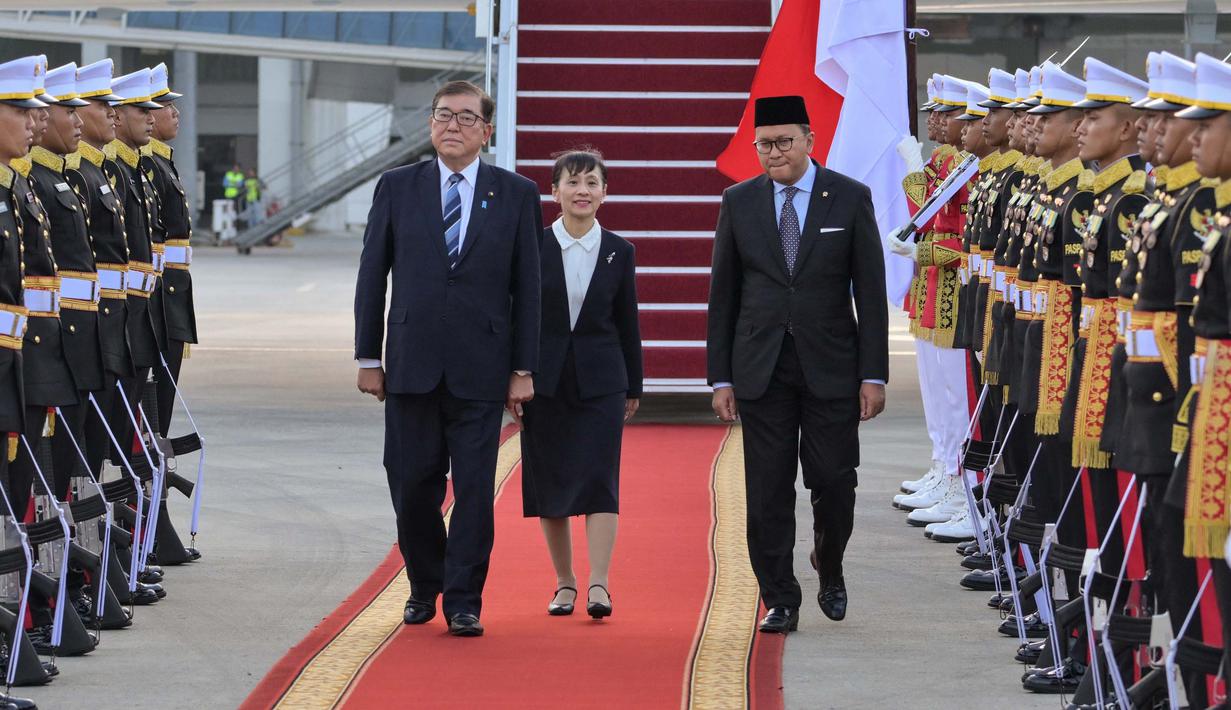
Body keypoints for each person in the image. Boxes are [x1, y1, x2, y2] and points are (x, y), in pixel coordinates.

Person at [354, 80, 541, 637]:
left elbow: (527, 287)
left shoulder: (515, 194)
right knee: (410, 483)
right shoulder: (396, 187)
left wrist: (523, 368)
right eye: (443, 115)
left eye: (465, 117)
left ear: (486, 130)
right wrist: (368, 355)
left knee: (476, 491)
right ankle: (423, 583)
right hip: (410, 365)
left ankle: (464, 599)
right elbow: (372, 276)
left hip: (482, 368)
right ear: (430, 125)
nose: (452, 125)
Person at [706, 95, 888, 634]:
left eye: (784, 141)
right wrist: (722, 376)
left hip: (832, 364)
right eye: (764, 144)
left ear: (810, 139)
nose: (773, 153)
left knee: (834, 480)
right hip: (761, 366)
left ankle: (829, 565)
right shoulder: (738, 202)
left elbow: (871, 293)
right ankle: (779, 596)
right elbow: (724, 295)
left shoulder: (849, 199)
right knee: (767, 488)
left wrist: (873, 373)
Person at [520, 149, 642, 619]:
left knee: (599, 480)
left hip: (603, 383)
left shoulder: (619, 249)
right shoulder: (532, 244)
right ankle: (564, 583)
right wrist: (517, 376)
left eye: (592, 183)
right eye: (572, 182)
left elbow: (626, 321)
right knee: (549, 483)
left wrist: (634, 385)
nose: (582, 191)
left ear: (605, 193)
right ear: (555, 192)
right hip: (543, 383)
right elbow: (519, 317)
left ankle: (599, 585)